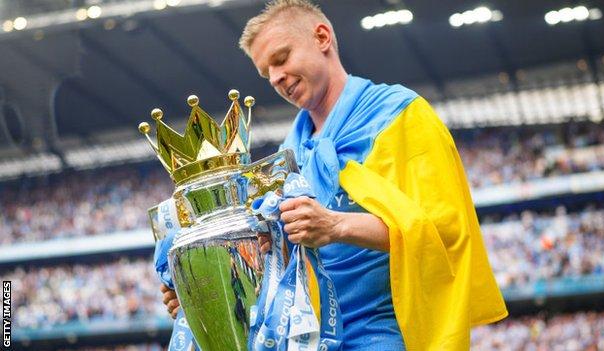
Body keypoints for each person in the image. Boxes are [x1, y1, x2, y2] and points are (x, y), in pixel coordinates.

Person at [162, 0, 508, 349]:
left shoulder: (400, 116)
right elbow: (282, 260)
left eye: (281, 59)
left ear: (322, 37)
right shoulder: (289, 152)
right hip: (311, 335)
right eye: (267, 74)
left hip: (391, 329)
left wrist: (335, 225)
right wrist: (204, 292)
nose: (277, 78)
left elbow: (443, 231)